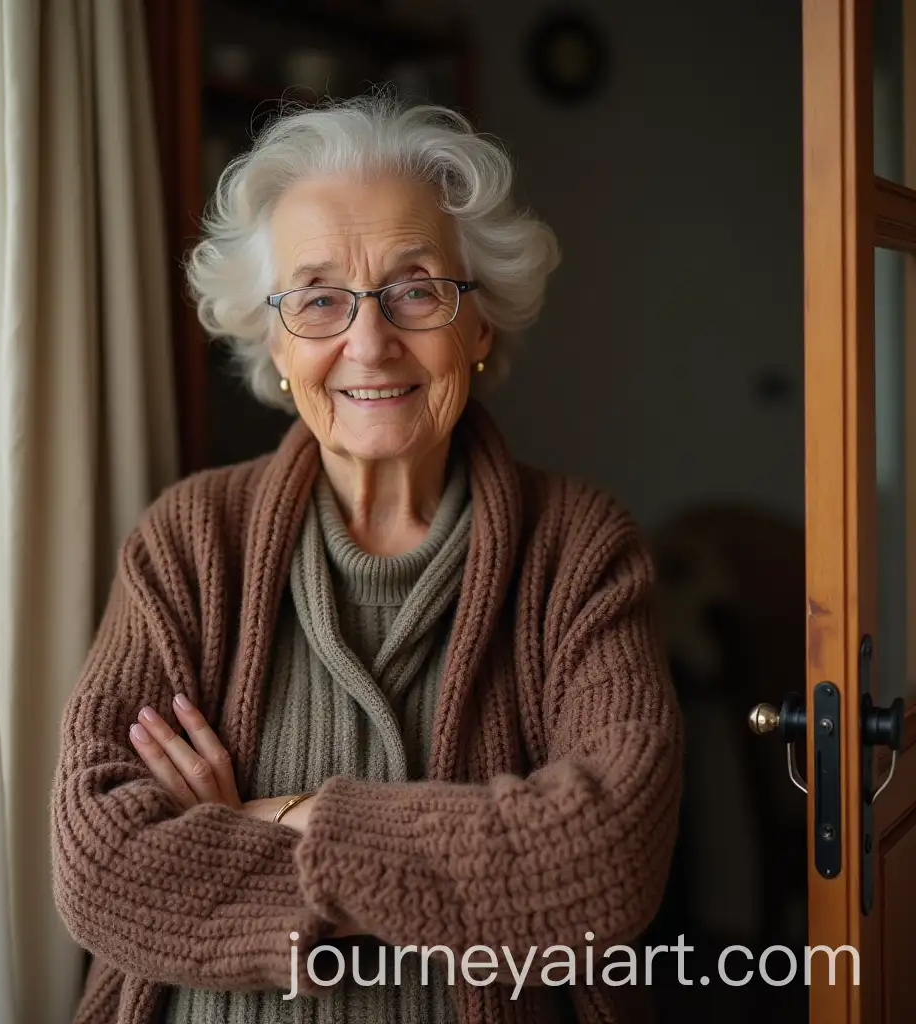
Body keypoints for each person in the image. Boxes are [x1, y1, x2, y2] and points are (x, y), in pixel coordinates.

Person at [51, 94, 683, 1024]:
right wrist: (464, 860)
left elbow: (606, 859)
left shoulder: (579, 548)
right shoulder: (188, 539)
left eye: (415, 288)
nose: (370, 340)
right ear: (274, 344)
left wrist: (274, 818)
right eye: (318, 299)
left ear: (480, 327)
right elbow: (99, 862)